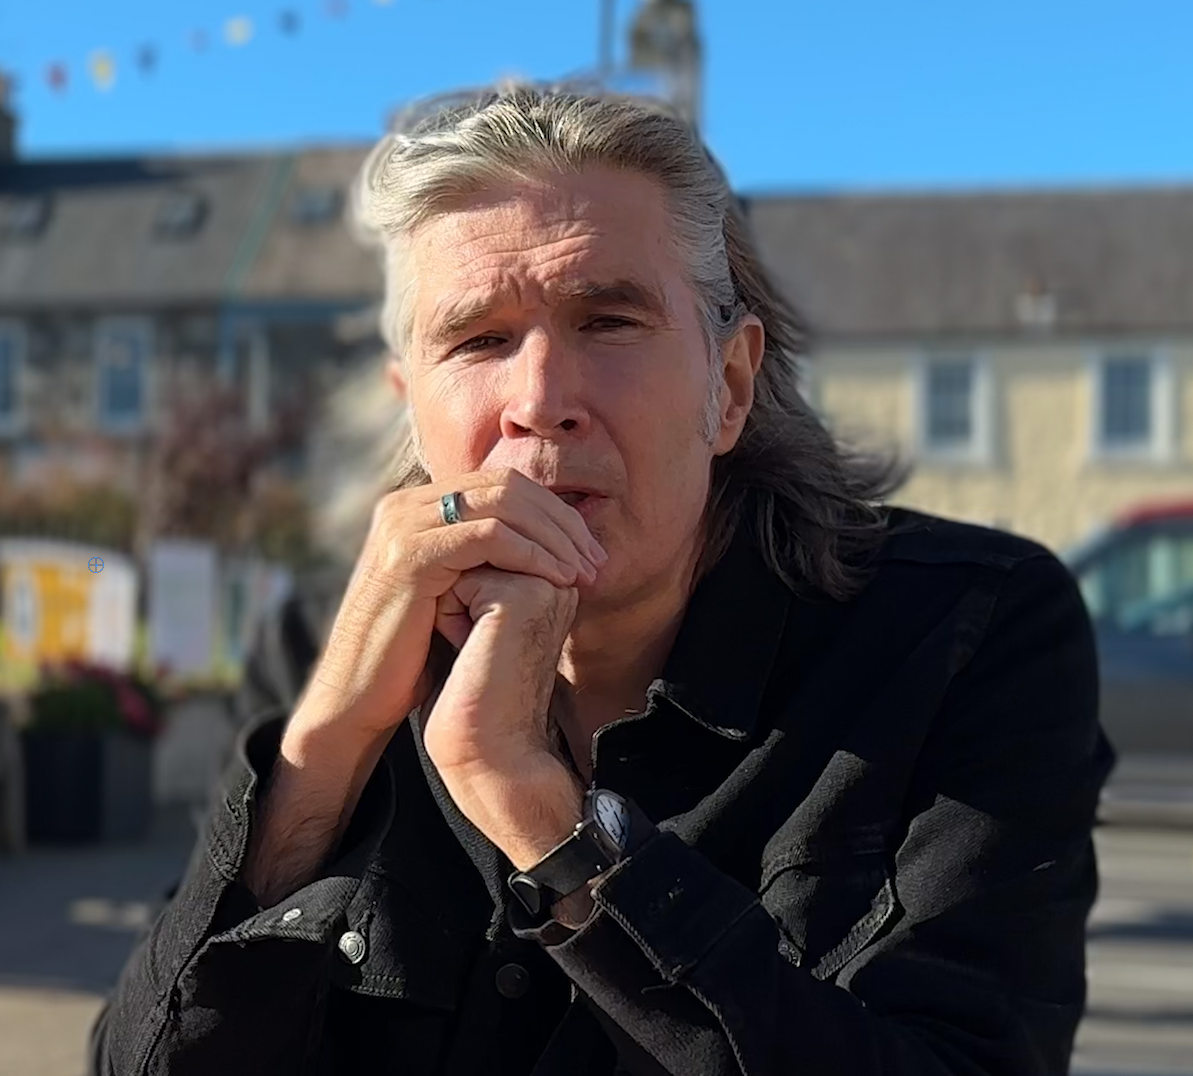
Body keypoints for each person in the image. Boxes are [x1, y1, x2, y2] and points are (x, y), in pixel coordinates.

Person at [92, 84, 1114, 1076]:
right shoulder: (323, 651)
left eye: (609, 321)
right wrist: (317, 769)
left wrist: (550, 829)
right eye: (480, 338)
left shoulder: (963, 636)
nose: (541, 398)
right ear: (416, 414)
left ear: (729, 386)